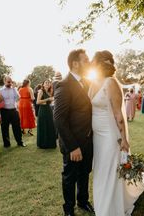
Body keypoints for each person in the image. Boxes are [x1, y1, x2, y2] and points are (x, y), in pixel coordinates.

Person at [89, 50, 144, 216]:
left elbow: (118, 114)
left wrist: (124, 139)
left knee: (110, 170)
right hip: (97, 136)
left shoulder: (111, 83)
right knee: (100, 170)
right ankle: (102, 202)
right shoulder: (93, 83)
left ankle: (110, 208)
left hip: (110, 135)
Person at [54, 49, 94, 216]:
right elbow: (59, 119)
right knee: (70, 176)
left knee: (84, 173)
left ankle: (83, 201)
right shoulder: (64, 85)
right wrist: (72, 147)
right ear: (75, 63)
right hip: (73, 142)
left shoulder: (87, 82)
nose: (89, 63)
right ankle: (69, 209)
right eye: (86, 60)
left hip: (88, 139)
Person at [0, 76, 26, 148]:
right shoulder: (0, 90)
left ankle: (20, 142)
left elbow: (18, 98)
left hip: (14, 110)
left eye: (11, 81)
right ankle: (7, 144)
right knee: (5, 128)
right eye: (8, 82)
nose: (10, 83)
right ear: (4, 81)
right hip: (4, 111)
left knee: (17, 127)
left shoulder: (14, 89)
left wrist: (14, 88)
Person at [36, 80, 56, 149]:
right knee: (44, 126)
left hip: (49, 110)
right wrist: (48, 99)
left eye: (49, 83)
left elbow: (49, 102)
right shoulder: (41, 91)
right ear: (43, 84)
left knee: (50, 125)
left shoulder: (50, 91)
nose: (47, 84)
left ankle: (50, 143)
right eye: (46, 83)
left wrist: (51, 100)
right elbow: (37, 102)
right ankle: (43, 144)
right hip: (43, 111)